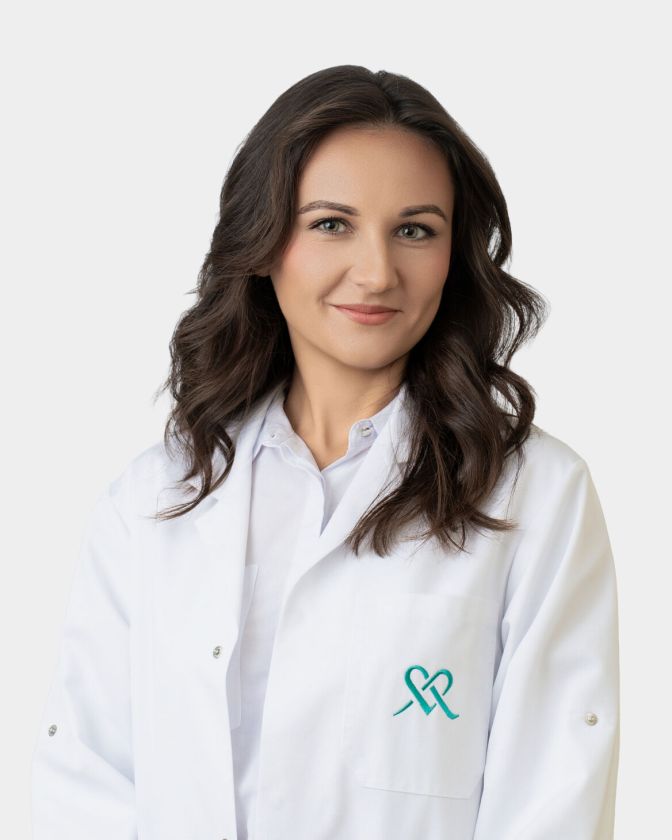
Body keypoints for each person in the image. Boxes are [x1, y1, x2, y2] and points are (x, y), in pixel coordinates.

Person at [30, 64, 620, 840]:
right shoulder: (152, 501)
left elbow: (551, 799)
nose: (376, 273)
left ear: (455, 254)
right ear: (263, 240)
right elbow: (86, 781)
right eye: (332, 224)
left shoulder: (536, 496)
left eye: (415, 230)